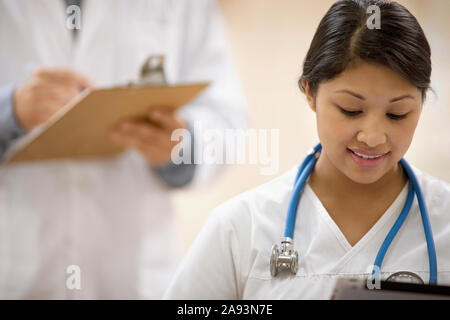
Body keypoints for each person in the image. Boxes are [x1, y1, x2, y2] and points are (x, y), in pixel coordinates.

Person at [163, 0, 450, 300]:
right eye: (351, 110)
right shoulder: (241, 227)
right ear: (310, 92)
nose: (373, 137)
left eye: (398, 114)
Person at [0, 0, 246, 299]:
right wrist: (8, 113)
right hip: (20, 271)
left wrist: (182, 145)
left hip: (135, 274)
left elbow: (228, 121)